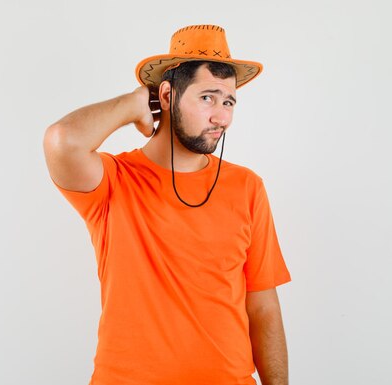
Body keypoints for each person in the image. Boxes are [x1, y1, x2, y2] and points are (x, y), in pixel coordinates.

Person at [43, 24, 292, 385]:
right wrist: (132, 105)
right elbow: (61, 140)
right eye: (207, 97)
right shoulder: (114, 180)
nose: (221, 117)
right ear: (167, 94)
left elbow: (264, 307)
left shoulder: (247, 187)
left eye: (228, 101)